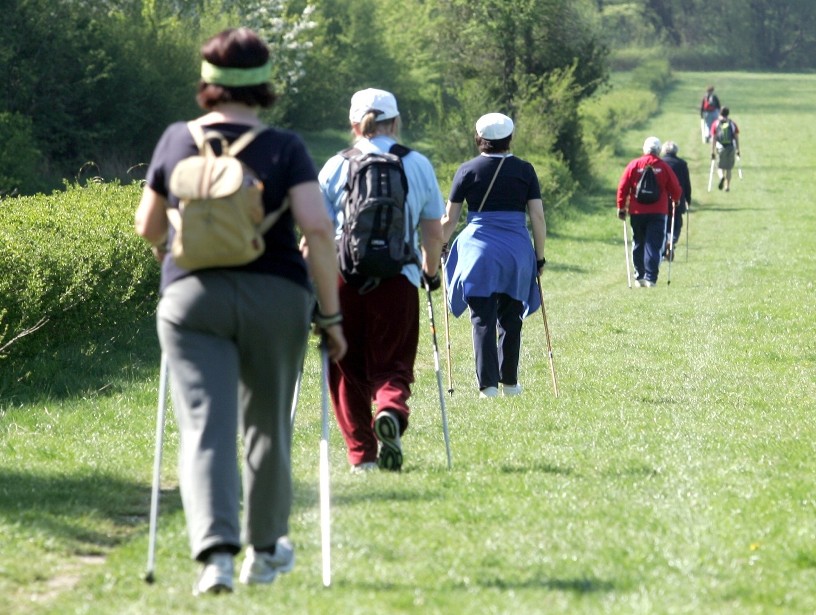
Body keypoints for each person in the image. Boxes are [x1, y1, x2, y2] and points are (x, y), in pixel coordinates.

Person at [134, 27, 346, 595]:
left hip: (191, 301)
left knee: (204, 425)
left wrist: (180, 248)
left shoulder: (176, 139)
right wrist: (330, 317)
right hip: (275, 297)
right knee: (267, 425)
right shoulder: (285, 147)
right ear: (263, 85)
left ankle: (215, 558)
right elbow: (318, 230)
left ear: (208, 84)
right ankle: (266, 547)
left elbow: (148, 227)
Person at [318, 88, 444, 474]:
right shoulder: (417, 164)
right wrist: (430, 271)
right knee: (393, 362)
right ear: (396, 121)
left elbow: (318, 232)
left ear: (354, 124)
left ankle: (363, 457)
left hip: (343, 278)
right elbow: (432, 230)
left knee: (344, 367)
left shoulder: (334, 166)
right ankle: (389, 408)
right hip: (398, 278)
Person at [441, 113, 546, 398]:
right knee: (512, 318)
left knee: (482, 319)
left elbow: (450, 219)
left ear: (479, 139)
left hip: (478, 251)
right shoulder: (525, 170)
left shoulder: (467, 170)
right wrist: (539, 256)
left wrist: (440, 243)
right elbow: (536, 215)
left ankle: (487, 387)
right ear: (509, 139)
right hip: (515, 250)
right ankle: (510, 383)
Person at [616, 136, 682, 287]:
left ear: (644, 150)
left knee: (638, 242)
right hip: (658, 212)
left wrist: (621, 207)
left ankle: (639, 277)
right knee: (654, 244)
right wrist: (676, 199)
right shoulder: (663, 166)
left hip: (637, 212)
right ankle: (650, 278)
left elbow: (623, 187)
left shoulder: (634, 165)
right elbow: (675, 187)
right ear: (659, 150)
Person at [660, 140, 692, 261]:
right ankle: (671, 240)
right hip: (677, 198)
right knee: (677, 222)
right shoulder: (682, 164)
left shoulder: (660, 163)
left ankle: (664, 245)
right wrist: (688, 199)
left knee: (663, 223)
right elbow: (686, 184)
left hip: (661, 199)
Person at [710, 106, 741, 192]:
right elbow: (736, 137)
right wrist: (738, 149)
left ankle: (721, 177)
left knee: (720, 167)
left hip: (720, 148)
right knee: (729, 168)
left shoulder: (716, 124)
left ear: (720, 113)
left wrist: (712, 151)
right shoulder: (732, 123)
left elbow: (714, 138)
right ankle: (727, 186)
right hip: (731, 147)